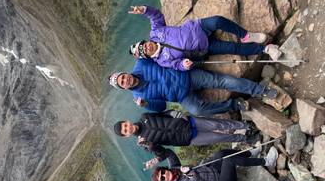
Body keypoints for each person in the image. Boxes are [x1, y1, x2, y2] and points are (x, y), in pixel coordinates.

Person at [127, 5, 282, 71]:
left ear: (145, 41)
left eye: (143, 45)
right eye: (143, 51)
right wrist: (184, 65)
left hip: (197, 27)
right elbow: (176, 65)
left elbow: (156, 16)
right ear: (146, 55)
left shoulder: (155, 32)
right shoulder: (162, 60)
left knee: (218, 20)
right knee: (232, 48)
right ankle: (267, 48)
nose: (146, 47)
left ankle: (247, 35)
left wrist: (144, 10)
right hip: (203, 47)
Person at [108, 59, 278, 115]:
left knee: (221, 81)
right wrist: (147, 105)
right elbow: (162, 106)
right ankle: (234, 105)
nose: (126, 80)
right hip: (182, 97)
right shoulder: (139, 97)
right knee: (197, 110)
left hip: (186, 76)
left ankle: (260, 90)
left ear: (124, 73)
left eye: (123, 77)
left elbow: (158, 51)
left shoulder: (141, 63)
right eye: (122, 83)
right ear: (124, 88)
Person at [147, 147, 279, 181]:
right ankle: (266, 162)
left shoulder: (174, 169)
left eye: (162, 172)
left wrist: (157, 157)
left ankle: (249, 153)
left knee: (221, 153)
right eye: (162, 178)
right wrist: (192, 175)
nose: (165, 175)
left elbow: (169, 153)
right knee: (229, 161)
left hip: (213, 171)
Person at [113, 111, 258, 147]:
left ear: (127, 121)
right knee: (219, 137)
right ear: (126, 136)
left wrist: (178, 114)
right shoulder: (144, 141)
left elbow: (165, 113)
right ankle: (245, 138)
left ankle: (245, 125)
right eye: (125, 131)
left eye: (125, 125)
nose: (128, 128)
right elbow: (162, 151)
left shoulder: (145, 116)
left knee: (217, 124)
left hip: (188, 122)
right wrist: (149, 146)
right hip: (188, 139)